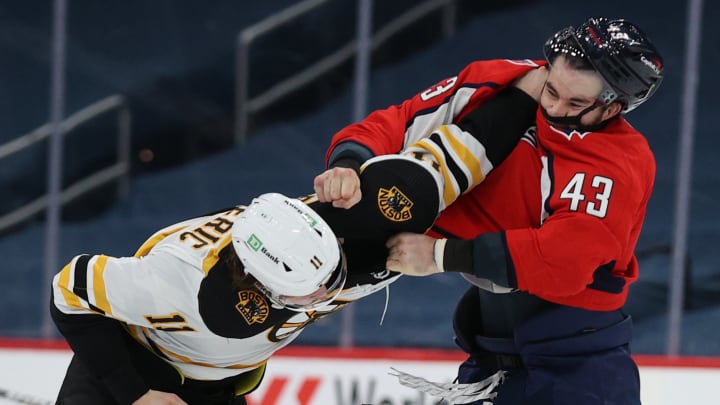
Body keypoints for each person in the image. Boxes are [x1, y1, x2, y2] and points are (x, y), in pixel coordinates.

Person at [50, 72, 544, 404]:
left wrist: (544, 81)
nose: (330, 293)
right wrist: (136, 393)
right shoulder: (171, 281)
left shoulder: (358, 222)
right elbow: (68, 289)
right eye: (314, 291)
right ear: (262, 287)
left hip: (220, 382)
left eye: (331, 273)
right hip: (129, 367)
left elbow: (466, 149)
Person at [314, 17, 663, 405]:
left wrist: (440, 255)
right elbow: (402, 120)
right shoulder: (503, 81)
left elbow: (566, 258)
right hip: (492, 357)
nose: (553, 107)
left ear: (612, 108)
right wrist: (347, 162)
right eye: (551, 89)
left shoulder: (618, 161)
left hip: (578, 370)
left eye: (576, 103)